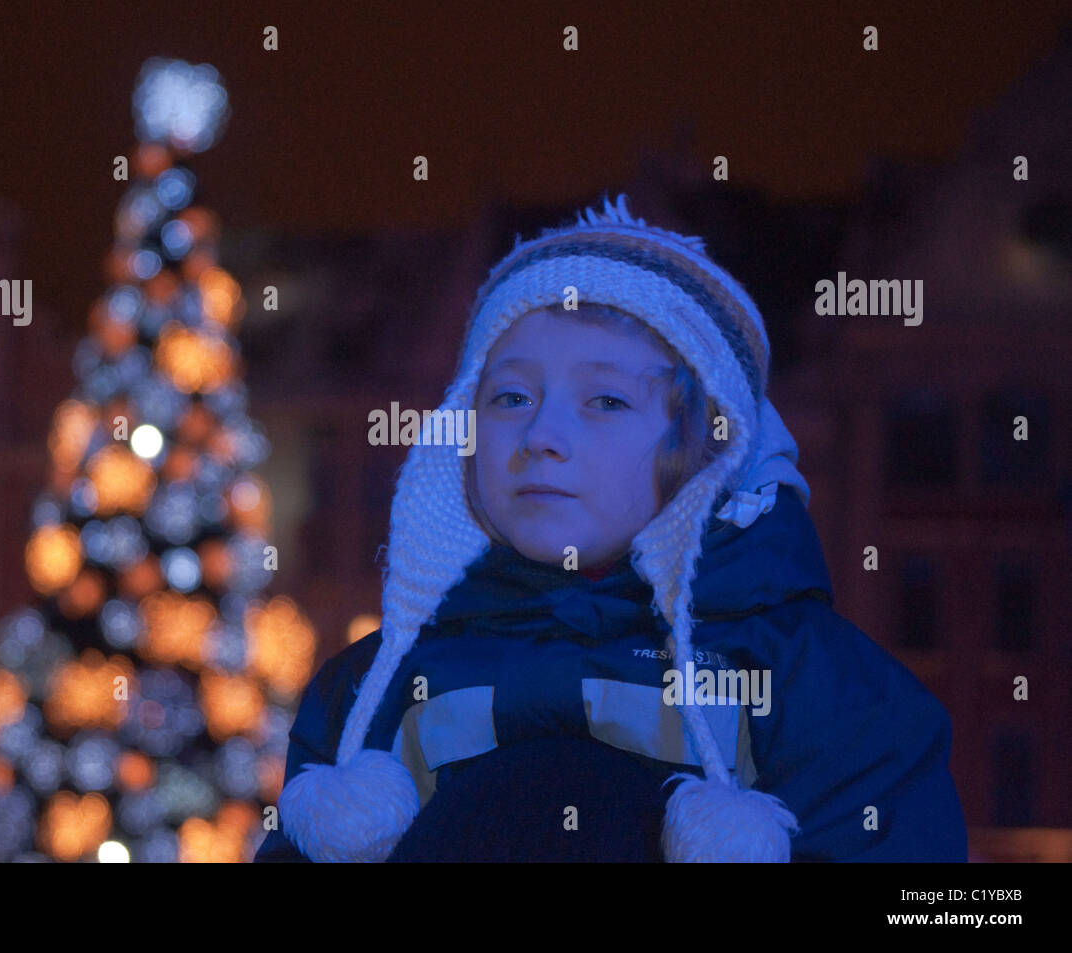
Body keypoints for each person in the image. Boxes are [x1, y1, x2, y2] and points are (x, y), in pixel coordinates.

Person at [253, 193, 967, 862]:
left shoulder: (820, 686)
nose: (541, 433)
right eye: (509, 396)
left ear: (706, 446)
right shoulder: (369, 686)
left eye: (606, 400)